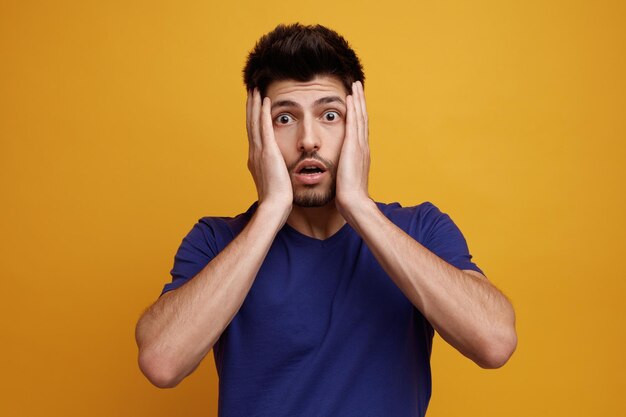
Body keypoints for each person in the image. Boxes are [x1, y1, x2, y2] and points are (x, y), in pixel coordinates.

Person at [135, 23, 517, 417]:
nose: (308, 139)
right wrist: (270, 210)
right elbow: (162, 363)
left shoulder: (420, 229)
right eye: (284, 119)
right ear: (256, 133)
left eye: (330, 115)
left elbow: (494, 343)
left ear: (358, 126)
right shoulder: (216, 241)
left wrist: (358, 205)